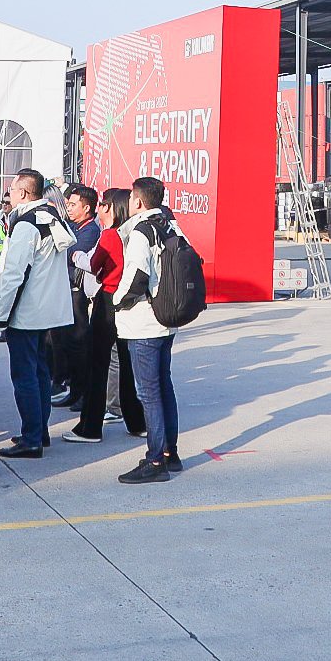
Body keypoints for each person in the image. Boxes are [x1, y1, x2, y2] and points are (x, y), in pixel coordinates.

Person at [0, 168, 77, 457]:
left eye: (12, 191)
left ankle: (32, 438)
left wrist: (1, 313)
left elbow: (13, 274)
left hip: (26, 312)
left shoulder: (26, 224)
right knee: (39, 372)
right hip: (45, 311)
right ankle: (39, 431)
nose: (9, 195)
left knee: (25, 375)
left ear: (24, 193)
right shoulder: (51, 217)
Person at [113, 175, 186, 482]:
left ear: (139, 201)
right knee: (163, 387)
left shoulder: (142, 232)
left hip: (144, 321)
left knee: (149, 392)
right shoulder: (171, 225)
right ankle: (170, 453)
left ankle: (155, 461)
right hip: (167, 317)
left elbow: (137, 276)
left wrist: (116, 300)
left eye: (131, 198)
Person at [62, 184, 142, 441]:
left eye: (103, 205)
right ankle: (137, 421)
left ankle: (90, 427)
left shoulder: (110, 235)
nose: (100, 209)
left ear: (112, 208)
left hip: (107, 299)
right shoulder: (133, 233)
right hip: (127, 302)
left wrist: (77, 257)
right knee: (126, 365)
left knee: (97, 365)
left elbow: (95, 265)